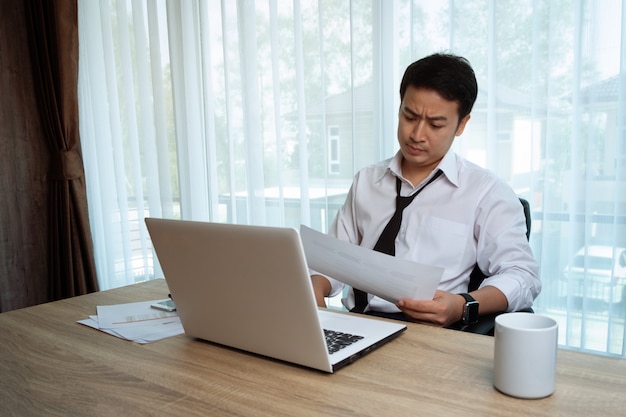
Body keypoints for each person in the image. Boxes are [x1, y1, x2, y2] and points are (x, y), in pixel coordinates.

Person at [311, 52, 541, 328]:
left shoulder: (486, 192)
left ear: (462, 124)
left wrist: (463, 305)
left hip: (432, 333)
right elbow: (335, 259)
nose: (417, 134)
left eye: (435, 124)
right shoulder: (366, 181)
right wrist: (316, 285)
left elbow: (523, 275)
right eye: (409, 116)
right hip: (356, 325)